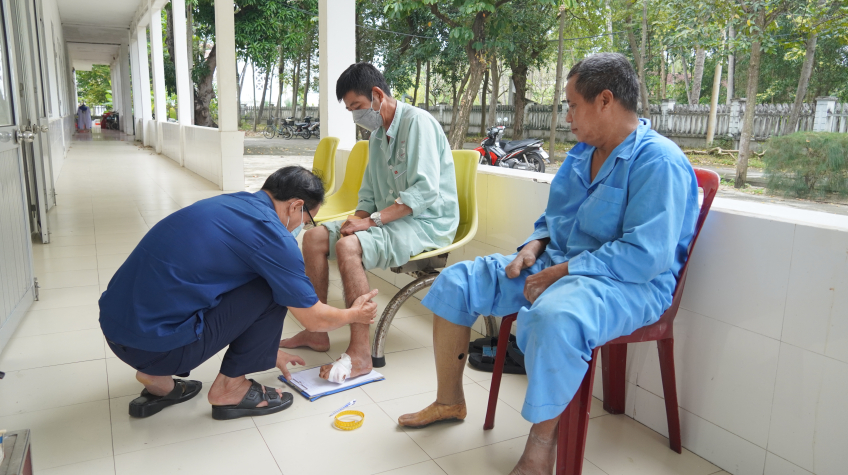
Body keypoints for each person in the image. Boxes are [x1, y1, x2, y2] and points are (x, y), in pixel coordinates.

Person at [399, 53, 700, 474]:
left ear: (605, 100)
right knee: (457, 280)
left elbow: (645, 256)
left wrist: (562, 272)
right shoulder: (582, 153)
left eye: (573, 105)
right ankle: (449, 401)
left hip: (629, 284)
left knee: (553, 319)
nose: (567, 116)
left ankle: (540, 450)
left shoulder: (659, 161)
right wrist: (534, 246)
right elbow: (553, 219)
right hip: (557, 263)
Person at [99, 166, 379, 420]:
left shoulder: (229, 202)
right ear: (296, 206)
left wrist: (266, 350)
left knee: (228, 278)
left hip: (115, 331)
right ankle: (230, 389)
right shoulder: (273, 236)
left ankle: (156, 380)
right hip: (157, 348)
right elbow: (314, 320)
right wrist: (355, 314)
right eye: (307, 221)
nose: (301, 228)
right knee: (271, 287)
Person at [280, 62, 459, 381]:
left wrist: (371, 222)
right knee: (315, 237)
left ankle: (360, 354)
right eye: (350, 110)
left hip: (427, 223)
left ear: (377, 95)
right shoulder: (377, 136)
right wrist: (357, 219)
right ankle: (316, 332)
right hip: (391, 219)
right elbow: (368, 194)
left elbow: (424, 192)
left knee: (349, 247)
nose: (356, 115)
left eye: (358, 106)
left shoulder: (418, 123)